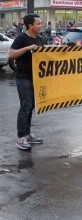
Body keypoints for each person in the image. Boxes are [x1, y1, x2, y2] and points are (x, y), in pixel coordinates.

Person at [7, 13, 44, 150]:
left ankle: (27, 135)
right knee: (26, 105)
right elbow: (10, 54)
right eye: (38, 23)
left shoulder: (40, 39)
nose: (41, 26)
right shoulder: (21, 38)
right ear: (30, 25)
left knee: (31, 106)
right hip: (23, 77)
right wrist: (28, 48)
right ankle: (21, 137)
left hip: (35, 78)